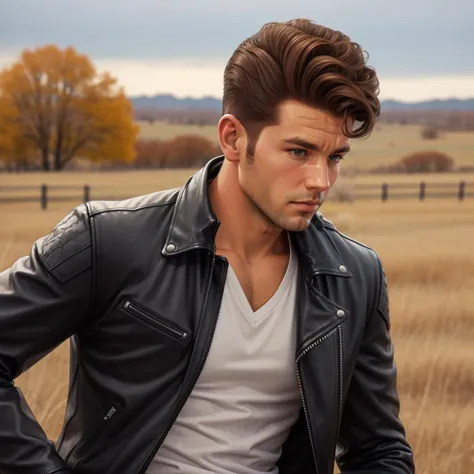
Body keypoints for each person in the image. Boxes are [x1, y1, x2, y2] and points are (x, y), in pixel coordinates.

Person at [0, 18, 415, 474]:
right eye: (299, 151)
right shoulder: (107, 240)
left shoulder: (354, 277)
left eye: (334, 157)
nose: (321, 180)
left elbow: (379, 451)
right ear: (234, 138)